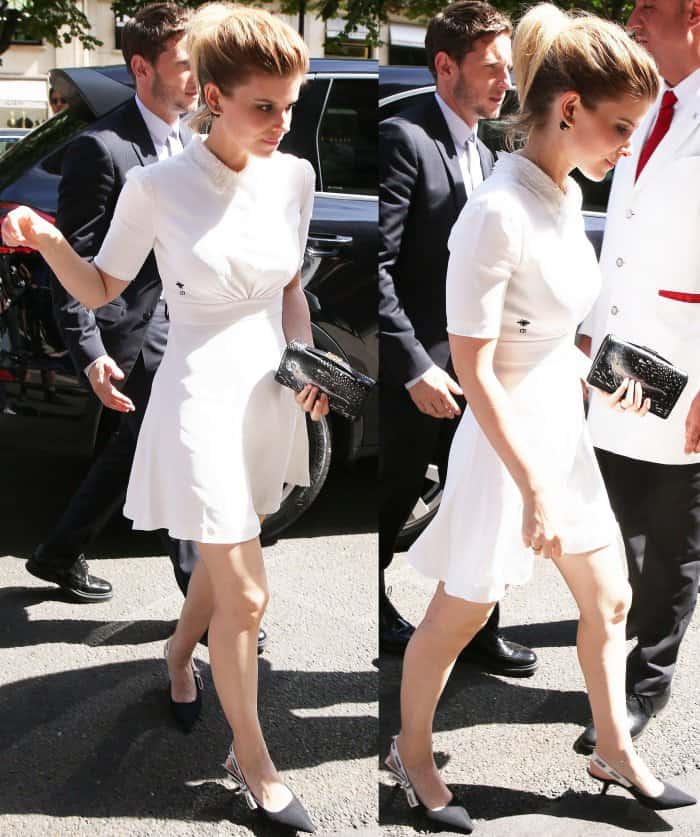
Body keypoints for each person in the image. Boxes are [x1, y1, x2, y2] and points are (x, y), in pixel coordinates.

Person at [2, 4, 324, 831]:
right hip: (196, 396)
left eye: (292, 104)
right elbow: (103, 286)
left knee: (222, 568)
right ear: (213, 95)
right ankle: (254, 764)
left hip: (266, 395)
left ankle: (180, 653)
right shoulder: (157, 184)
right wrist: (43, 240)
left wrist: (305, 361)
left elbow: (292, 292)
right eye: (264, 106)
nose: (283, 125)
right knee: (246, 593)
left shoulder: (294, 177)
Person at [383, 5, 695, 831]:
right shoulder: (496, 212)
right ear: (568, 111)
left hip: (561, 420)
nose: (626, 148)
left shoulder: (558, 192)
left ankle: (614, 747)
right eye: (619, 127)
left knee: (613, 598)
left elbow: (556, 331)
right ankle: (410, 753)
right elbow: (476, 367)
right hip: (503, 442)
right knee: (461, 613)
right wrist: (533, 488)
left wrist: (611, 376)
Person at [379, 0, 537, 677]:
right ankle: (375, 603)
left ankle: (480, 627)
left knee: (482, 494)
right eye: (492, 68)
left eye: (508, 68)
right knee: (392, 499)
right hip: (424, 369)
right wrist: (414, 366)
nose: (506, 81)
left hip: (479, 366)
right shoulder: (404, 138)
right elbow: (380, 266)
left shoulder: (486, 143)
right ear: (447, 67)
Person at [575, 0, 700, 753]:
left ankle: (645, 683)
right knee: (611, 529)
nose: (633, 20)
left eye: (649, 7)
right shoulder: (643, 103)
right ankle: (608, 663)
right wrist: (589, 325)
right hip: (616, 359)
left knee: (677, 538)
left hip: (687, 366)